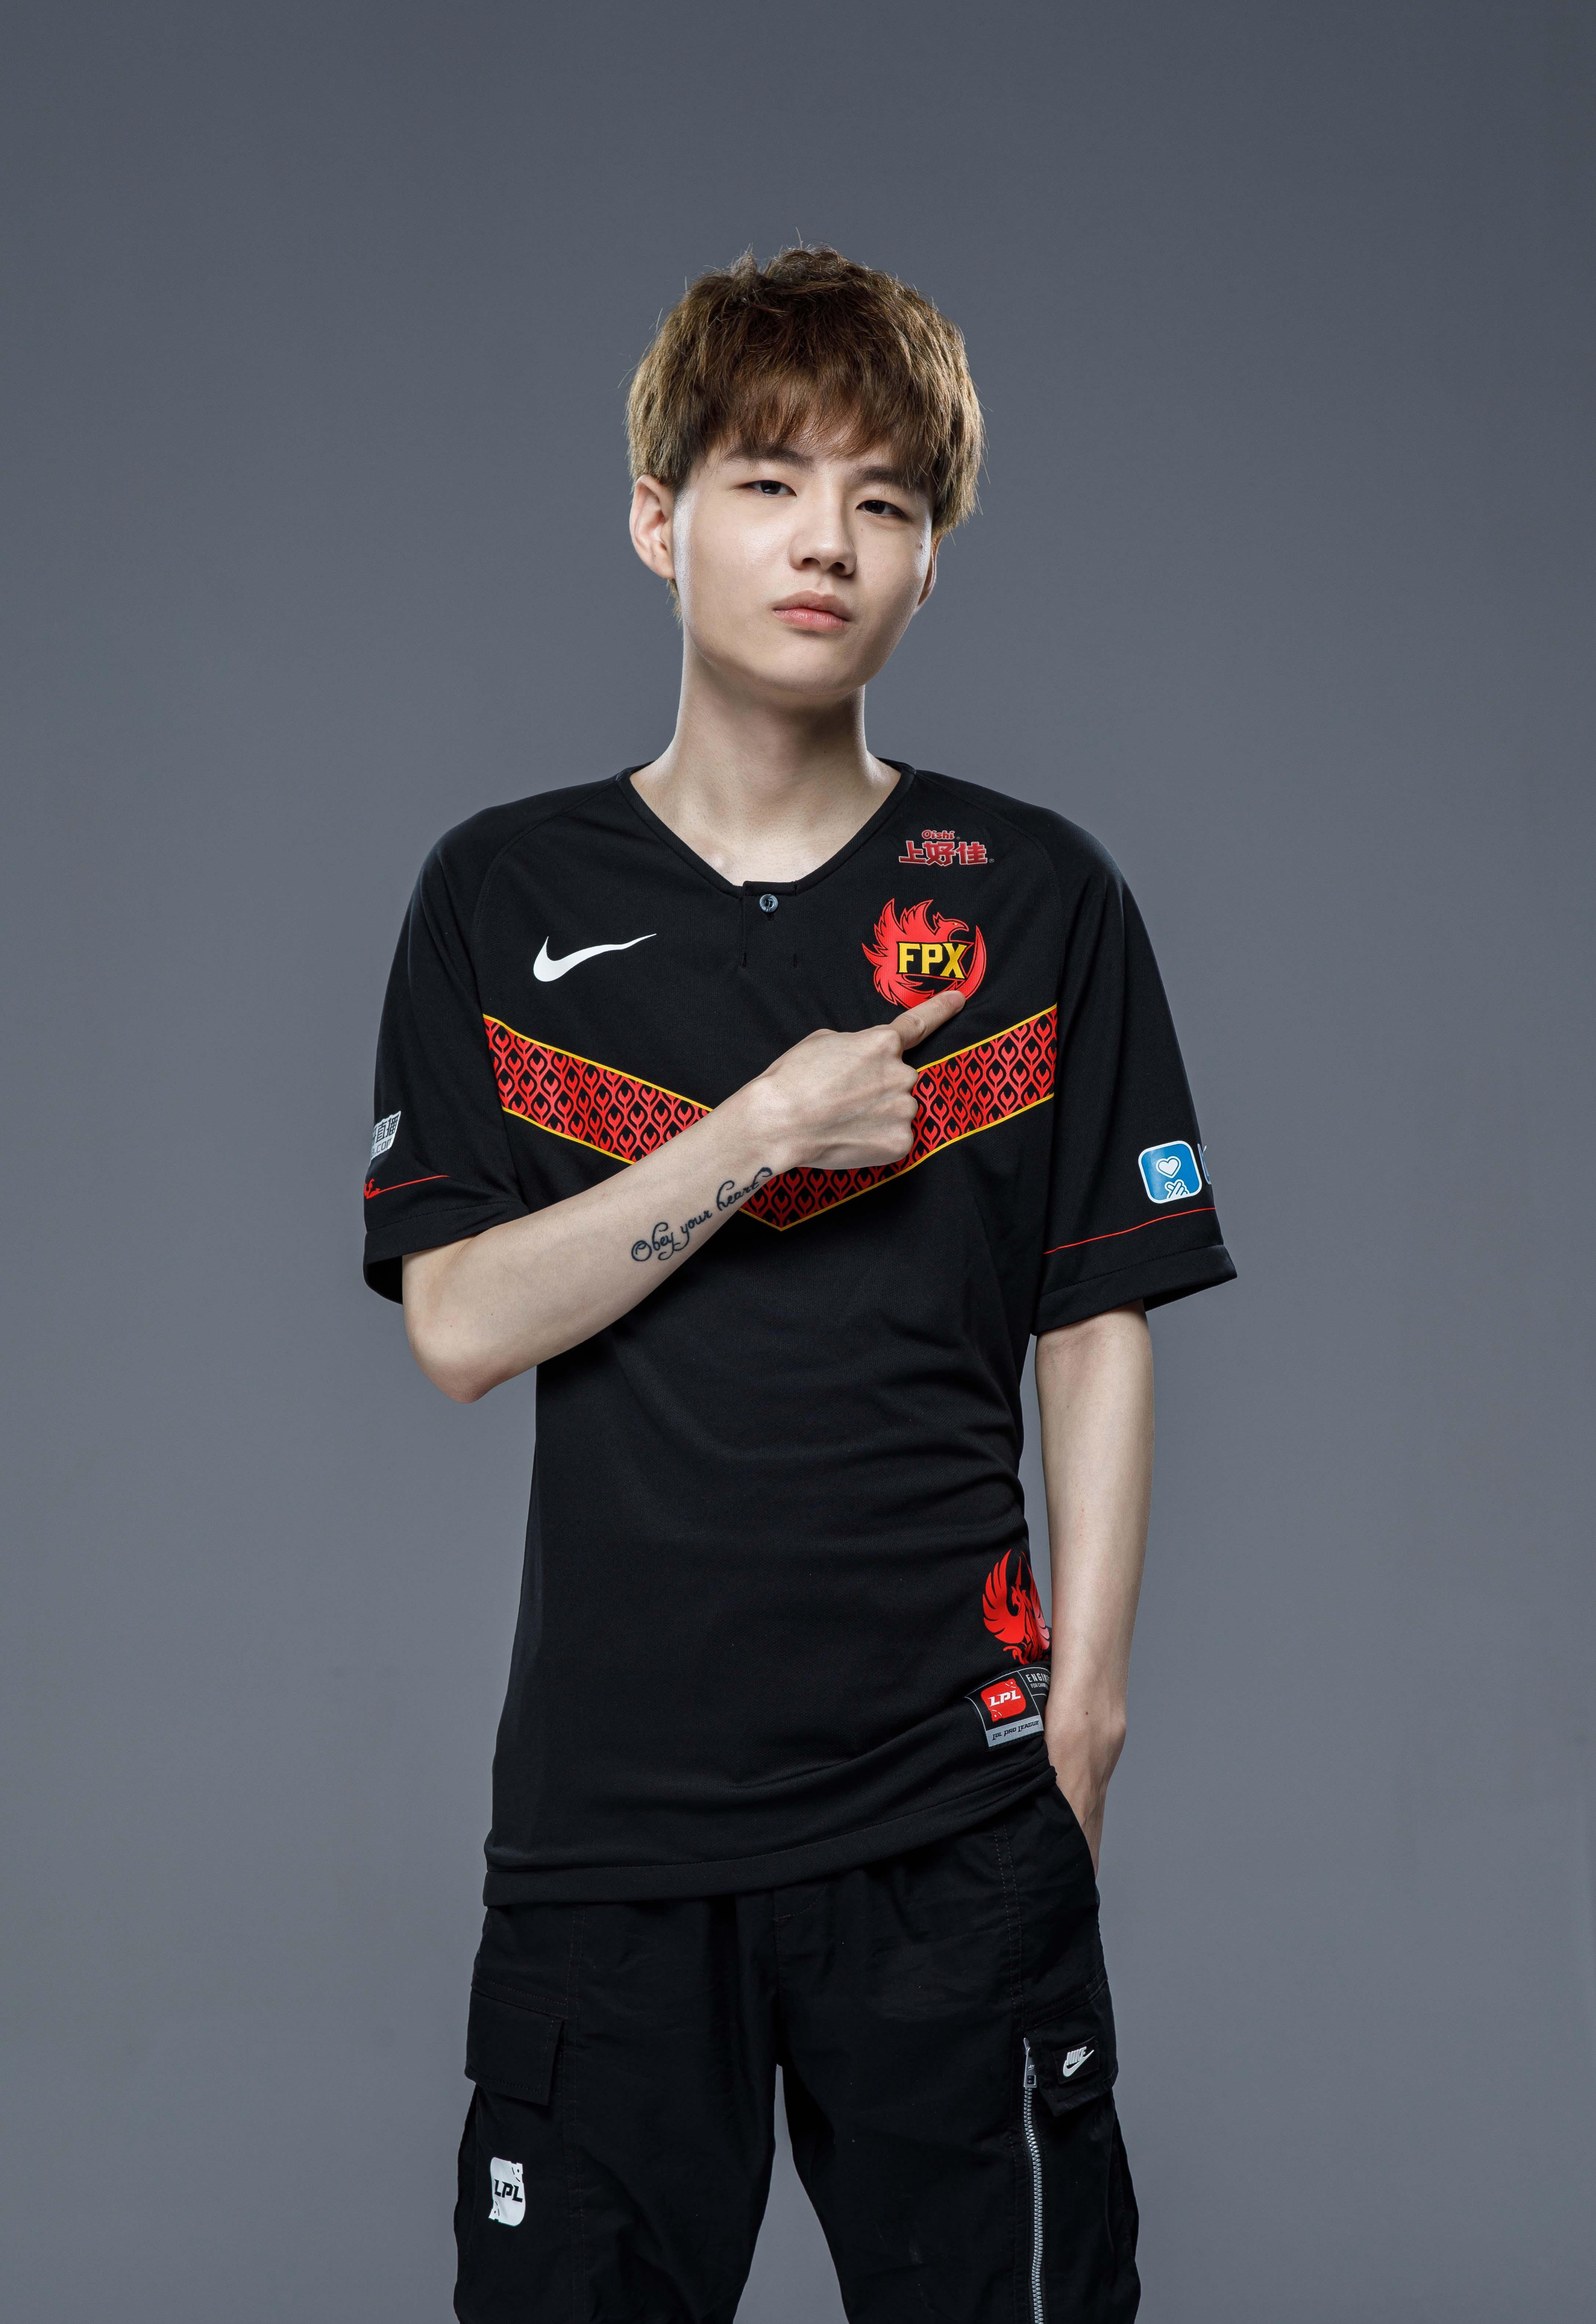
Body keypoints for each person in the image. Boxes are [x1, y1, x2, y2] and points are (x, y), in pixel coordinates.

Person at [363, 244, 1234, 2324]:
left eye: (885, 500)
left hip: (957, 1821)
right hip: (610, 1840)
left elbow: (1094, 1318)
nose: (826, 540)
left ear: (931, 564)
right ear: (659, 522)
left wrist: (1089, 1722)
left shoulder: (1040, 899)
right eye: (768, 481)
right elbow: (460, 1323)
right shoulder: (504, 892)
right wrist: (751, 1134)